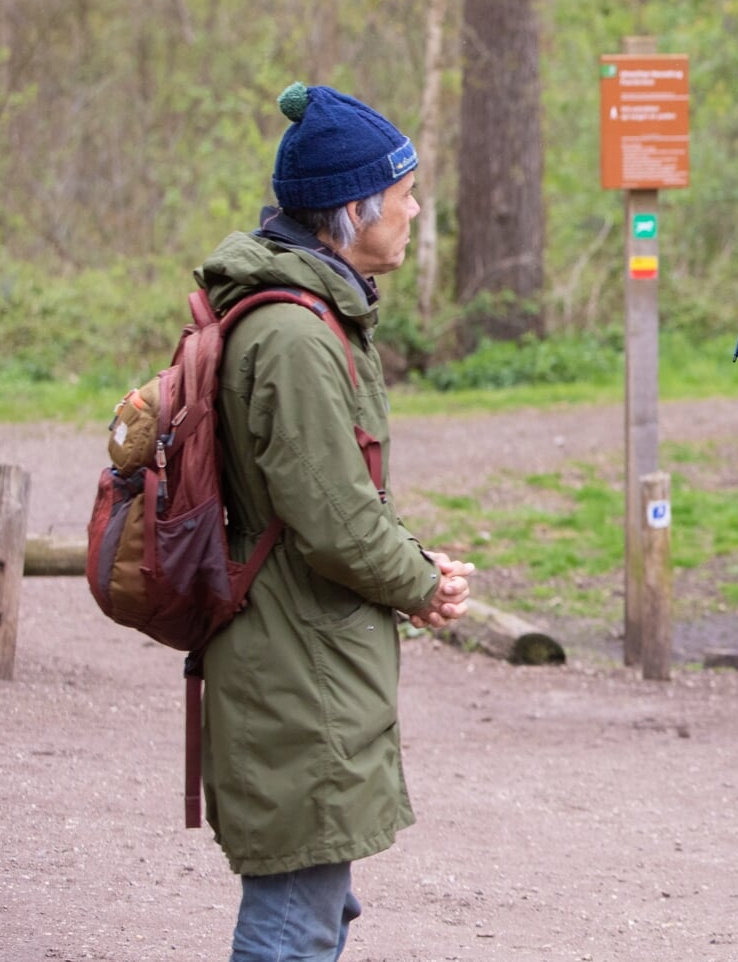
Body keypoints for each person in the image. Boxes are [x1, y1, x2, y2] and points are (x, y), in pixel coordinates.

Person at [195, 82, 474, 961]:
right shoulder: (294, 336)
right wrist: (424, 583)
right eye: (403, 196)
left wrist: (416, 568)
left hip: (300, 650)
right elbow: (334, 520)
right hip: (295, 662)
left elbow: (330, 504)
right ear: (351, 212)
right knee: (292, 922)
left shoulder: (311, 318)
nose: (415, 210)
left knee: (315, 904)